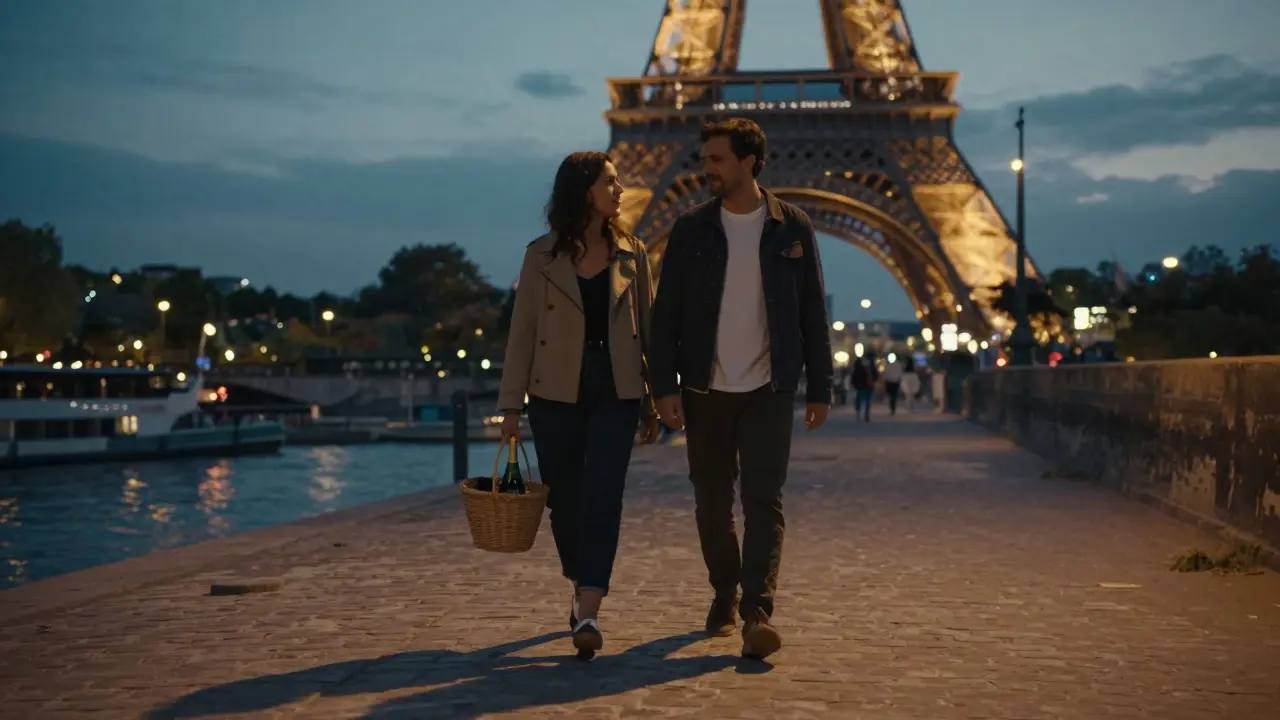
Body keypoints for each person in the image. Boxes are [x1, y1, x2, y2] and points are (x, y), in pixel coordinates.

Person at [649, 117, 834, 661]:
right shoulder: (689, 229)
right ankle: (724, 589)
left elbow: (810, 313)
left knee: (763, 501)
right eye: (704, 158)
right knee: (711, 504)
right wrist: (664, 385)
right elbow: (667, 317)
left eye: (716, 160)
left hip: (769, 387)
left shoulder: (791, 226)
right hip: (705, 387)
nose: (705, 169)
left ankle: (757, 609)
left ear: (748, 162)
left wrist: (819, 387)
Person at [497, 151, 662, 658]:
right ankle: (581, 579)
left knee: (605, 494)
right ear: (583, 190)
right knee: (565, 499)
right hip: (554, 390)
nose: (619, 189)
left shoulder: (633, 253)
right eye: (610, 181)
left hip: (616, 387)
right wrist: (510, 409)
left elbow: (650, 334)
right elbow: (521, 335)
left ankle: (588, 607)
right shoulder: (539, 256)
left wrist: (654, 400)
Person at [849, 356, 875, 422]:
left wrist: (854, 385)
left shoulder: (857, 368)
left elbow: (853, 378)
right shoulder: (870, 368)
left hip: (860, 387)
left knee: (860, 400)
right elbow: (875, 376)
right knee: (867, 401)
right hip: (868, 387)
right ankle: (866, 415)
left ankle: (859, 413)